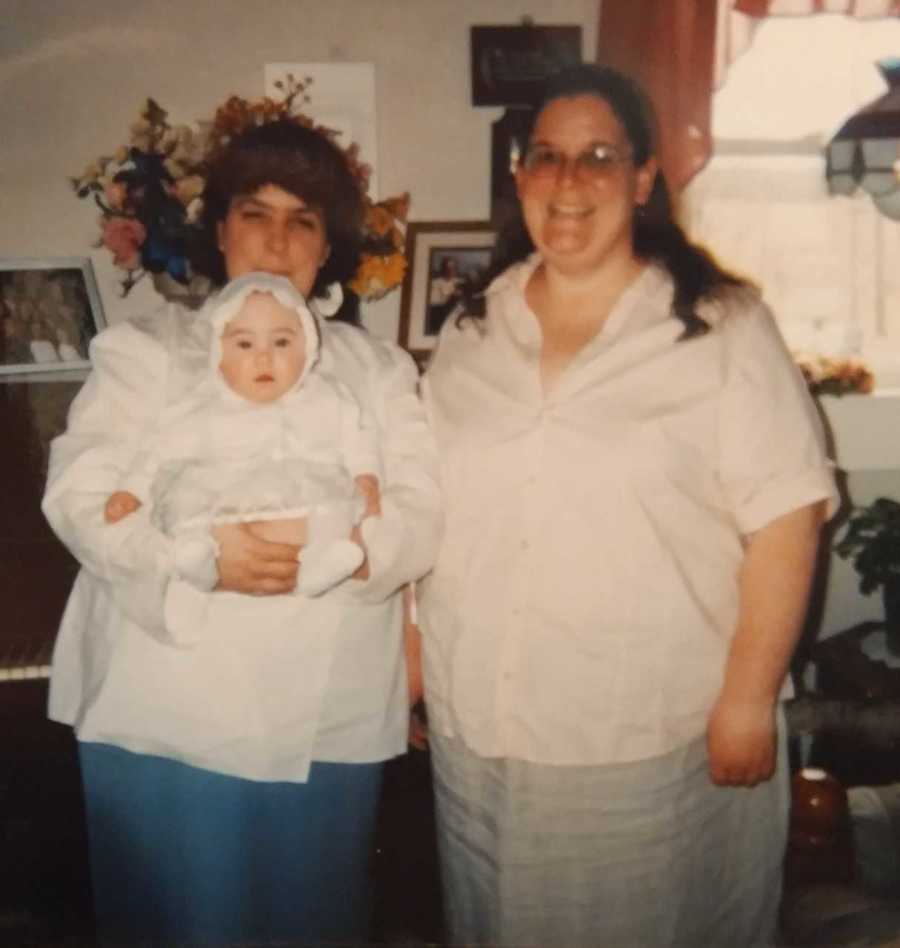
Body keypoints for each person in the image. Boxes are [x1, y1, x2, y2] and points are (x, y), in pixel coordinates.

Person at [417, 63, 837, 948]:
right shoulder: (467, 332)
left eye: (598, 157)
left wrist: (749, 698)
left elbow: (787, 516)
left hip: (648, 735)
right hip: (479, 732)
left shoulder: (723, 327)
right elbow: (431, 512)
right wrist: (415, 656)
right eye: (548, 157)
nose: (569, 182)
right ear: (520, 175)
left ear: (643, 178)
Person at [42, 119, 441, 947]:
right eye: (255, 212)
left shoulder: (376, 370)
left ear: (328, 246)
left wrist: (354, 553)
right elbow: (78, 495)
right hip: (168, 705)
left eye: (303, 220)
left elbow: (421, 508)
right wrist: (193, 560)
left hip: (325, 714)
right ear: (219, 228)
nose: (277, 238)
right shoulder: (144, 352)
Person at [103, 272, 383, 647]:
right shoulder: (201, 405)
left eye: (282, 341)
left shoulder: (329, 397)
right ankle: (196, 556)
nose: (264, 357)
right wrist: (132, 489)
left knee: (334, 508)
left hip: (298, 495)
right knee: (184, 502)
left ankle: (321, 561)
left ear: (309, 347)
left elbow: (356, 438)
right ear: (218, 355)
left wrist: (367, 474)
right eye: (245, 344)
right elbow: (159, 451)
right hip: (222, 495)